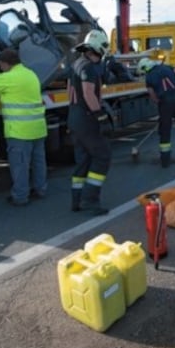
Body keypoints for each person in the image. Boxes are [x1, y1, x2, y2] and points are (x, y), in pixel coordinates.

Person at [0, 49, 48, 206]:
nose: (0, 68)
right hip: (38, 128)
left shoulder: (8, 78)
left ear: (5, 63)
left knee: (20, 166)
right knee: (39, 163)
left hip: (20, 132)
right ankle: (40, 189)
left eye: (1, 65)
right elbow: (2, 78)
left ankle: (20, 197)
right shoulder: (30, 74)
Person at [67, 29, 113, 215]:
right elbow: (88, 93)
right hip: (87, 119)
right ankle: (90, 200)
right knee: (102, 156)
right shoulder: (89, 67)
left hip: (74, 118)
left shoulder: (76, 64)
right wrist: (100, 116)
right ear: (100, 49)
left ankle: (76, 200)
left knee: (83, 160)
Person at [138, 57, 175, 168]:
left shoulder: (149, 77)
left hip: (165, 103)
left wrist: (161, 103)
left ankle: (165, 161)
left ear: (145, 68)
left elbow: (153, 97)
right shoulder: (167, 67)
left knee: (165, 132)